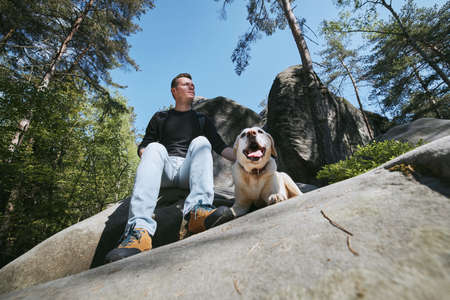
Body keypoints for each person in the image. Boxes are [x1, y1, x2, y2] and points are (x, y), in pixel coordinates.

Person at [106, 73, 235, 262]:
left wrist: (244, 155)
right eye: (185, 84)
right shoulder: (160, 117)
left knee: (202, 141)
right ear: (174, 91)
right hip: (164, 170)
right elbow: (144, 145)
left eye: (192, 84)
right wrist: (149, 156)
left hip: (188, 171)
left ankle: (198, 213)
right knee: (154, 147)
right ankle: (139, 233)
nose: (191, 87)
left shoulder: (201, 119)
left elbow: (221, 147)